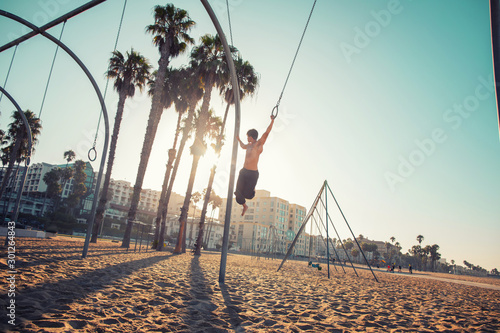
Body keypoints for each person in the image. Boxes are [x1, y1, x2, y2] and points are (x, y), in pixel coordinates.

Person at [235, 115, 275, 216]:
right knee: (238, 195)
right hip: (243, 172)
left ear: (251, 136)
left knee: (248, 195)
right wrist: (239, 140)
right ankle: (245, 206)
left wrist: (272, 121)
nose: (247, 138)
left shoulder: (258, 145)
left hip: (253, 174)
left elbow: (267, 132)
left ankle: (252, 191)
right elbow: (242, 146)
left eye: (247, 136)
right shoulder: (248, 146)